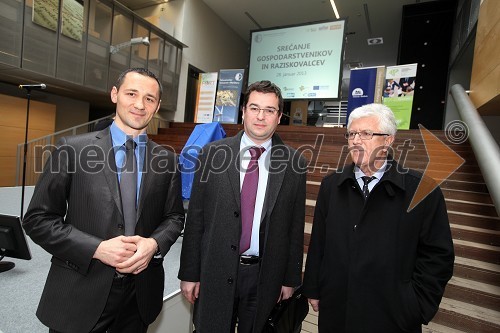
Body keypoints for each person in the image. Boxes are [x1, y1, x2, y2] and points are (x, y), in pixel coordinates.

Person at [23, 68, 185, 333]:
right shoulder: (72, 149)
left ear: (156, 107)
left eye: (149, 98)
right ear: (114, 94)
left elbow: (175, 217)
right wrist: (96, 249)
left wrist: (154, 244)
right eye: (131, 93)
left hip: (139, 297)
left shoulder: (167, 160)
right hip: (80, 291)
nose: (139, 105)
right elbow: (38, 219)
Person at [302, 103, 454, 333]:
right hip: (337, 311)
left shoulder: (422, 190)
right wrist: (313, 287)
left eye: (366, 134)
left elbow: (438, 256)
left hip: (392, 317)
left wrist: (415, 305)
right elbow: (319, 243)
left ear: (388, 140)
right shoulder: (331, 186)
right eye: (352, 133)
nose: (355, 140)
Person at [178, 80, 307, 333]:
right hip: (215, 270)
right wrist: (190, 273)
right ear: (243, 111)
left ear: (279, 116)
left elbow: (295, 225)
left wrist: (291, 279)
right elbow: (196, 220)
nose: (261, 116)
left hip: (265, 275)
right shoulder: (212, 154)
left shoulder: (294, 163)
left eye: (270, 110)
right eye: (254, 108)